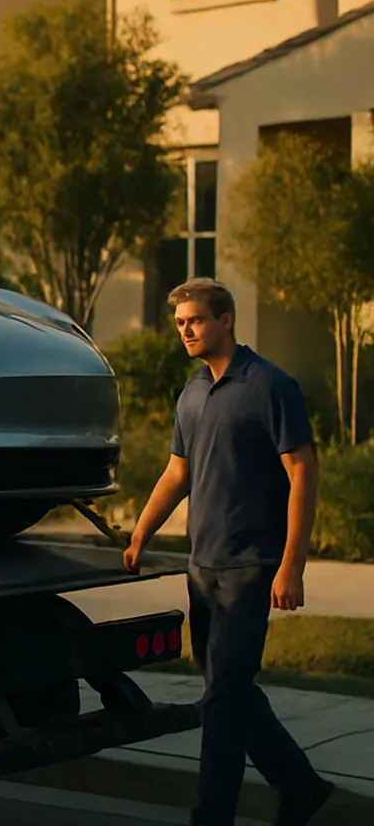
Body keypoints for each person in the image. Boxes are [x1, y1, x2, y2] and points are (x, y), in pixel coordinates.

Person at [123, 278, 335, 825]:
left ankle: (210, 816)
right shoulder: (191, 394)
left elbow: (303, 473)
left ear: (226, 320)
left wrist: (292, 566)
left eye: (194, 320)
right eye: (179, 324)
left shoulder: (270, 385)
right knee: (228, 690)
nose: (185, 331)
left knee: (220, 702)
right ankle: (300, 785)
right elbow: (178, 473)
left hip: (251, 566)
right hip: (202, 568)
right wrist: (141, 532)